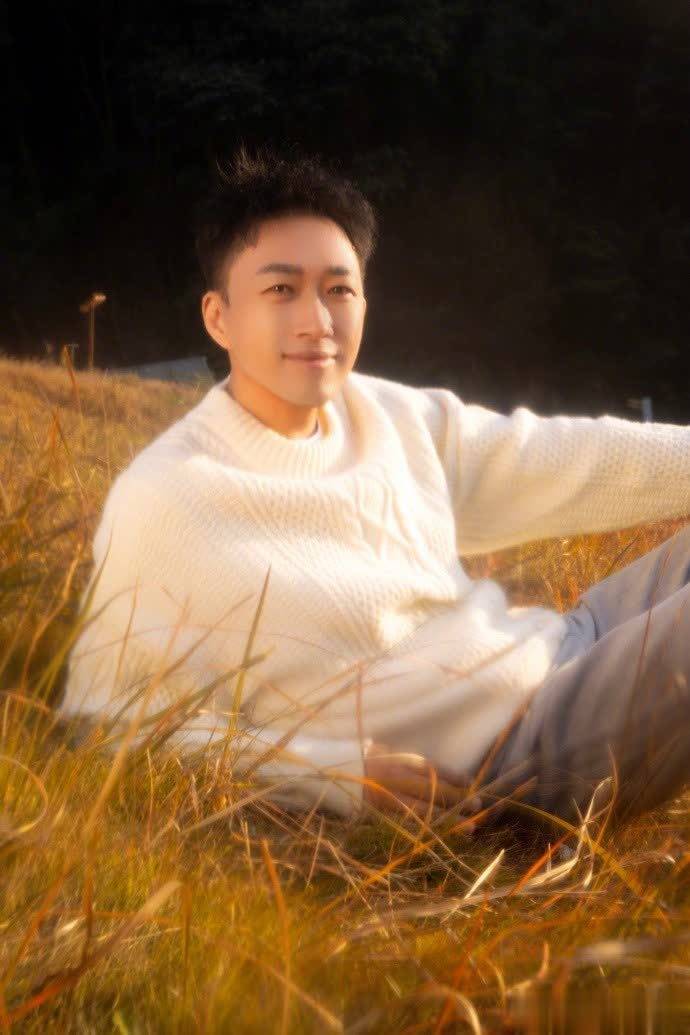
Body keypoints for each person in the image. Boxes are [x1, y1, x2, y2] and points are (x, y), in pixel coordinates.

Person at [59, 143, 690, 834]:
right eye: (281, 290)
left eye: (339, 289)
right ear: (219, 317)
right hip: (515, 756)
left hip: (572, 639)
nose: (317, 321)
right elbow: (106, 721)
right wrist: (331, 772)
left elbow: (555, 456)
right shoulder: (165, 498)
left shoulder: (382, 413)